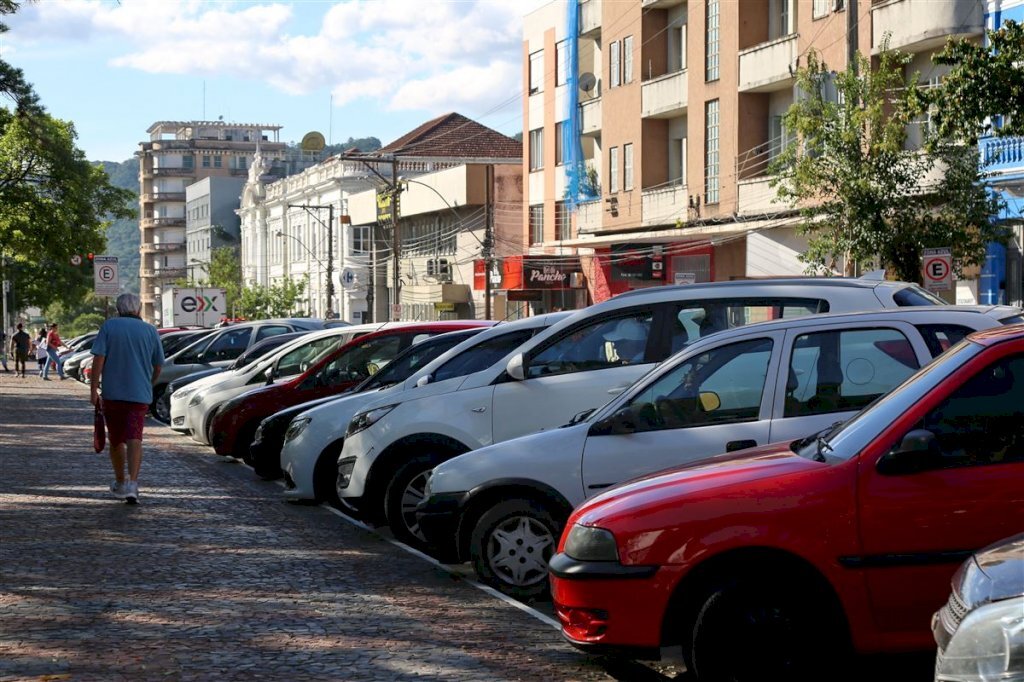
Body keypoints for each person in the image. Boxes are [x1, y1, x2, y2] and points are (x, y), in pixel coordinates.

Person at [90, 293, 165, 504]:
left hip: (113, 394)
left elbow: (98, 359)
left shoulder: (109, 327)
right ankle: (133, 483)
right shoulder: (150, 330)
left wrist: (93, 389)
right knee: (135, 436)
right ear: (139, 309)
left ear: (118, 309)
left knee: (116, 439)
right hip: (139, 394)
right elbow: (158, 365)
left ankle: (120, 481)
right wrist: (148, 383)